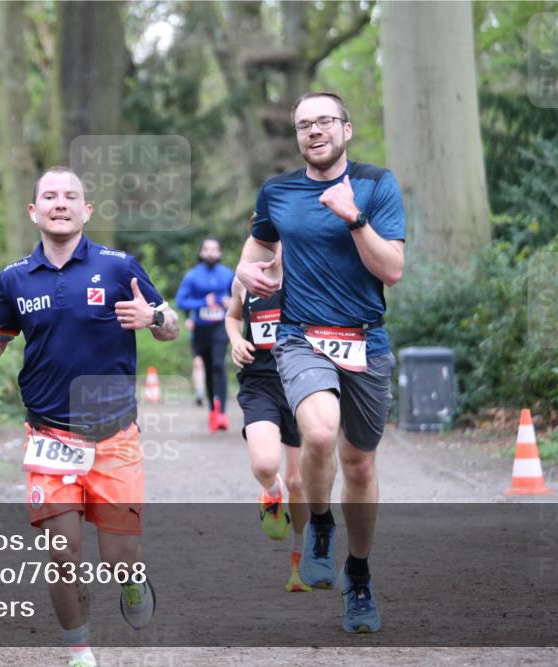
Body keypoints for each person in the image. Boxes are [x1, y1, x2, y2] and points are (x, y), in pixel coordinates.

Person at [0, 166, 179, 667]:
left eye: (70, 196)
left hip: (113, 436)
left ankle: (131, 579)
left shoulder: (117, 266)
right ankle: (79, 653)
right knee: (62, 552)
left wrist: (153, 318)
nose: (60, 203)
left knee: (116, 558)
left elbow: (171, 326)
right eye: (49, 196)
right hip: (48, 436)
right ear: (34, 210)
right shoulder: (14, 278)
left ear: (86, 210)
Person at [236, 92, 405, 633]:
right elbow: (252, 254)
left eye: (325, 122)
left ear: (346, 130)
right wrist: (251, 275)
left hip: (366, 342)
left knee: (360, 465)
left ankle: (358, 575)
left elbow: (394, 269)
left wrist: (353, 217)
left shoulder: (377, 185)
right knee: (319, 429)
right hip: (300, 338)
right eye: (304, 124)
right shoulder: (278, 192)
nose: (314, 131)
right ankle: (322, 526)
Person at [225, 276, 310, 593]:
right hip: (260, 384)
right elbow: (233, 317)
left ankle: (300, 564)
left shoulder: (310, 274)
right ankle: (271, 495)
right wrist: (236, 339)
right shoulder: (244, 281)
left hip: (305, 382)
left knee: (299, 482)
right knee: (264, 464)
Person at [175, 237, 235, 432]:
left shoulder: (228, 275)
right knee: (209, 368)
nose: (211, 252)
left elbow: (239, 299)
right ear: (201, 253)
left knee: (219, 364)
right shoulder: (192, 276)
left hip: (220, 326)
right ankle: (212, 411)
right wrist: (202, 303)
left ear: (219, 253)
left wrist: (230, 303)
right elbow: (181, 302)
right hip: (201, 329)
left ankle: (223, 413)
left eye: (214, 249)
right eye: (207, 249)